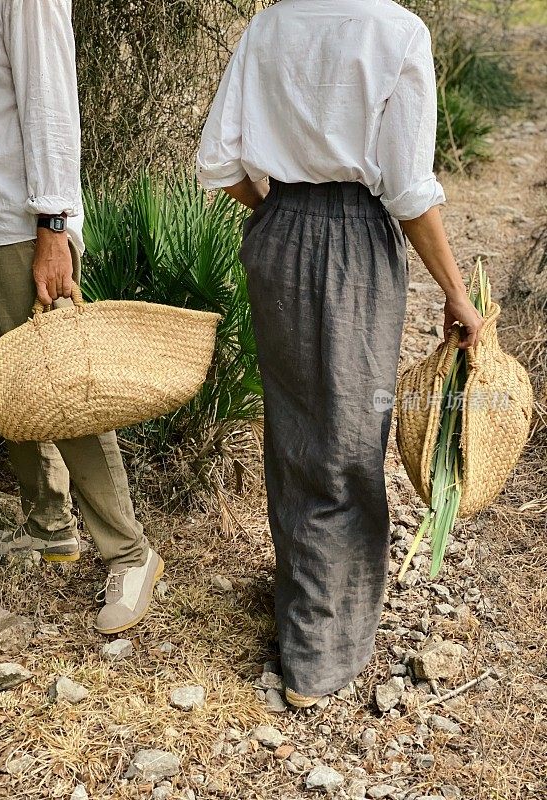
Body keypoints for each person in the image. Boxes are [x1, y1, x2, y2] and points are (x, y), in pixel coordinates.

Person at [196, 0, 484, 707]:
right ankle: (319, 656)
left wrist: (272, 213)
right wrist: (457, 291)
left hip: (278, 232)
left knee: (296, 432)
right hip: (355, 239)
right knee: (351, 440)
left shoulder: (269, 24)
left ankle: (305, 603)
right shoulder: (396, 30)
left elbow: (217, 162)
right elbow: (410, 189)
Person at [0, 0, 163, 635]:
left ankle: (130, 552)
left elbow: (49, 102)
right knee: (10, 392)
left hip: (17, 223)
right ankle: (50, 529)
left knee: (63, 393)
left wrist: (53, 226)